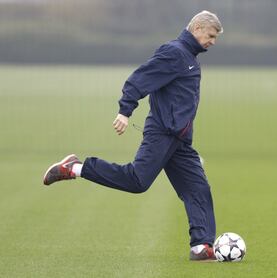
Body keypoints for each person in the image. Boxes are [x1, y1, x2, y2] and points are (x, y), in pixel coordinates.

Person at [42, 10, 223, 261]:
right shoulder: (175, 53)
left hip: (179, 140)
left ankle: (201, 246)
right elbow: (140, 78)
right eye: (211, 36)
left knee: (198, 188)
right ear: (198, 28)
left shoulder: (189, 57)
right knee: (137, 181)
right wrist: (125, 110)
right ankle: (75, 168)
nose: (213, 42)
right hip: (162, 133)